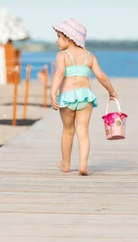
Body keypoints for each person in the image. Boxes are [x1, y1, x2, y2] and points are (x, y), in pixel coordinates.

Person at [50, 18, 118, 176]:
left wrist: (53, 92)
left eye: (60, 37)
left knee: (68, 131)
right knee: (83, 132)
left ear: (69, 37)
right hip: (85, 97)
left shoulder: (62, 56)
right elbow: (101, 76)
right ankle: (83, 165)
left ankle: (65, 164)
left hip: (67, 97)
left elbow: (59, 74)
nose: (57, 41)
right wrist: (111, 90)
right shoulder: (89, 56)